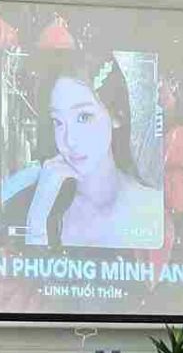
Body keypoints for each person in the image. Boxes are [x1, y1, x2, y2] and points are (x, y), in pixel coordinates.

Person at [25, 43, 165, 249]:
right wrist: (37, 216)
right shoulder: (44, 204)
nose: (69, 140)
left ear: (115, 115)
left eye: (83, 117)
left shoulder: (152, 208)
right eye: (58, 121)